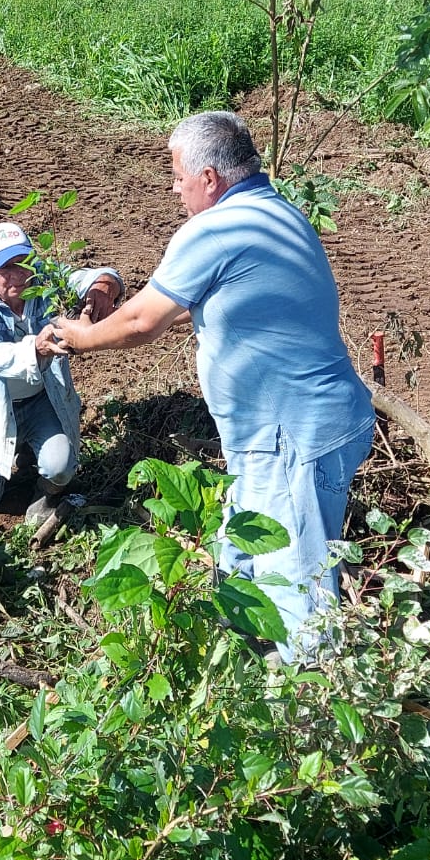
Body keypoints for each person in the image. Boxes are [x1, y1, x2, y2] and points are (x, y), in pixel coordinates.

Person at [53, 111, 374, 663]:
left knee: (296, 586)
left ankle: (311, 696)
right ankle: (239, 669)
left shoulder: (215, 228)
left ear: (208, 177)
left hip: (289, 438)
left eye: (179, 177)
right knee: (242, 556)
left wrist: (80, 337)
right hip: (299, 429)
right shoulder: (275, 212)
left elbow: (142, 323)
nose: (174, 188)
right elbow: (200, 300)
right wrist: (124, 311)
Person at [0, 221, 122, 524]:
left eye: (25, 262)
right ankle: (21, 450)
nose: (21, 274)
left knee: (61, 467)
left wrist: (103, 285)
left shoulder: (44, 279)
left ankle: (45, 493)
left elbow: (91, 277)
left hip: (42, 400)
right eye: (7, 267)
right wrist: (35, 348)